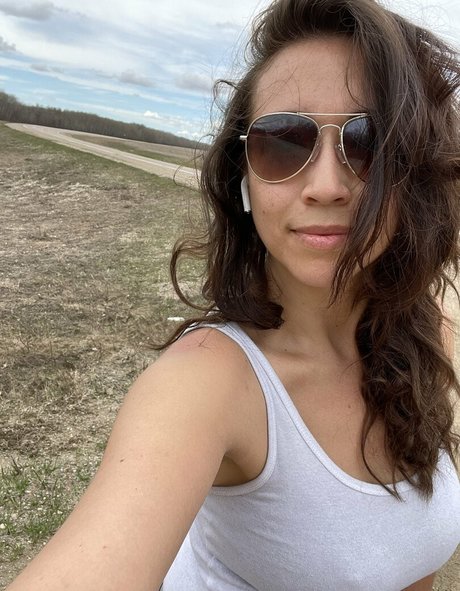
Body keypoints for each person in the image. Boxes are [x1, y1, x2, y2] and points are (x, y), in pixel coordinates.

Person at [7, 0, 460, 589]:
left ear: (415, 174)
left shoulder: (428, 331)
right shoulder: (207, 383)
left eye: (369, 143)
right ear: (242, 176)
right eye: (283, 142)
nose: (326, 186)